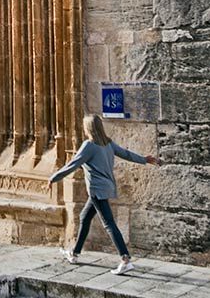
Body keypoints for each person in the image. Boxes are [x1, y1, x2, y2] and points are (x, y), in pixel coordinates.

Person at [48, 113, 161, 275]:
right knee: (84, 217)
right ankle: (74, 253)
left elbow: (72, 165)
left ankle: (125, 259)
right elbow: (126, 154)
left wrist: (54, 177)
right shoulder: (108, 144)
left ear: (88, 129)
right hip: (106, 188)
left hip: (97, 190)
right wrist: (144, 159)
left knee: (108, 223)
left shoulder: (89, 146)